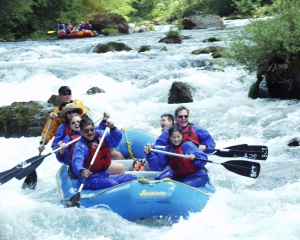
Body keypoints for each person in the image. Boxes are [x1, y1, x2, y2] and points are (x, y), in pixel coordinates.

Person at [72, 118, 137, 190]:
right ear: (81, 131)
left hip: (104, 175)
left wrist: (113, 129)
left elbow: (114, 141)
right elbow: (77, 162)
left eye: (92, 129)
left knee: (132, 178)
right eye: (86, 131)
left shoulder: (100, 136)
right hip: (89, 180)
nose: (90, 132)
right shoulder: (80, 146)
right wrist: (82, 171)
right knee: (113, 184)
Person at [144, 126, 209, 187]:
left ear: (182, 135)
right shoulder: (167, 149)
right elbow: (158, 166)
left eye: (178, 136)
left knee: (183, 186)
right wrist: (149, 155)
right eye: (173, 137)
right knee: (159, 179)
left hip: (196, 175)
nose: (176, 139)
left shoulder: (188, 145)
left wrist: (194, 157)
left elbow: (204, 159)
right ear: (169, 138)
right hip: (179, 175)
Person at [38, 86, 87, 153]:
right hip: (70, 135)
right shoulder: (56, 112)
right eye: (64, 94)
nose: (67, 96)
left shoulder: (77, 102)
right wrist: (43, 143)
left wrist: (58, 115)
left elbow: (78, 110)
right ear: (59, 96)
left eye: (69, 93)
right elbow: (49, 129)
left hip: (82, 130)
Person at [56, 114, 82, 178]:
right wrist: (61, 149)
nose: (76, 123)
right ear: (70, 126)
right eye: (73, 123)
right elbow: (61, 159)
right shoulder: (68, 139)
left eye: (78, 121)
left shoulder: (90, 133)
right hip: (76, 166)